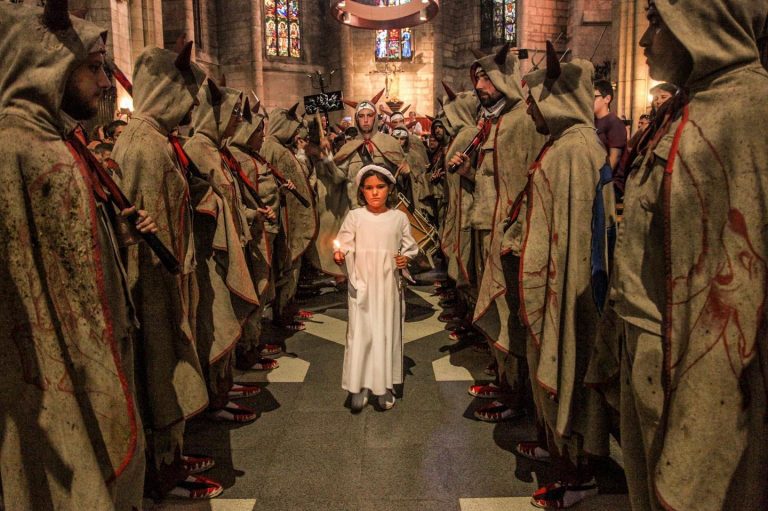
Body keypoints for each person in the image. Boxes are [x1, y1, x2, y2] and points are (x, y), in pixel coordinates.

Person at [593, 1, 768, 510]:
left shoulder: (752, 110)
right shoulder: (685, 109)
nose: (644, 41)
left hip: (703, 359)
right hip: (646, 340)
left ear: (700, 18)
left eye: (656, 21)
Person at [0, 2, 151, 508]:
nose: (107, 83)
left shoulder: (57, 141)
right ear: (50, 64)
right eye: (95, 67)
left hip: (87, 353)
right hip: (46, 372)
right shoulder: (14, 149)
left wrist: (120, 239)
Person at [111, 43, 226, 500]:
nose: (195, 104)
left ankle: (173, 455)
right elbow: (139, 229)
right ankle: (164, 468)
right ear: (166, 89)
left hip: (167, 276)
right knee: (160, 368)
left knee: (171, 365)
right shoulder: (144, 145)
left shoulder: (156, 140)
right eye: (188, 92)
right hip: (154, 284)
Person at [513, 44, 615, 509]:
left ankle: (579, 475)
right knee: (550, 372)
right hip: (552, 282)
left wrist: (556, 293)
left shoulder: (575, 150)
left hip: (568, 289)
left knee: (568, 367)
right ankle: (556, 449)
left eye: (534, 99)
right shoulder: (562, 145)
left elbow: (577, 242)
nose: (529, 108)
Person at [449, 44, 546, 422]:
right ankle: (506, 381)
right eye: (476, 78)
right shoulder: (495, 122)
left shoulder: (522, 120)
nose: (479, 84)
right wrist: (468, 174)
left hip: (509, 234)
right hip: (488, 226)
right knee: (498, 309)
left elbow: (529, 181)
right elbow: (494, 180)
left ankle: (517, 394)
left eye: (486, 77)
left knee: (511, 312)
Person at [186, 80, 261, 423]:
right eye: (232, 116)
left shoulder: (213, 149)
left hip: (227, 247)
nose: (236, 124)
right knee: (216, 321)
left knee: (224, 318)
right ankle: (215, 398)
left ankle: (223, 388)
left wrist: (247, 217)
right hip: (211, 255)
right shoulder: (198, 149)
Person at [333, 164, 418, 411]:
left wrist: (405, 258)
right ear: (361, 190)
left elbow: (410, 246)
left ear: (389, 189)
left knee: (385, 333)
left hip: (388, 287)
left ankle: (385, 386)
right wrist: (341, 254)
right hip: (362, 285)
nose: (375, 193)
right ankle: (360, 386)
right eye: (369, 188)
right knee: (361, 335)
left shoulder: (399, 218)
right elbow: (344, 244)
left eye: (380, 187)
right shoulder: (355, 216)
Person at [593, 79, 627, 174]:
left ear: (607, 99)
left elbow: (614, 157)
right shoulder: (592, 121)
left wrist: (601, 182)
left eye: (594, 97)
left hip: (610, 182)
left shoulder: (614, 122)